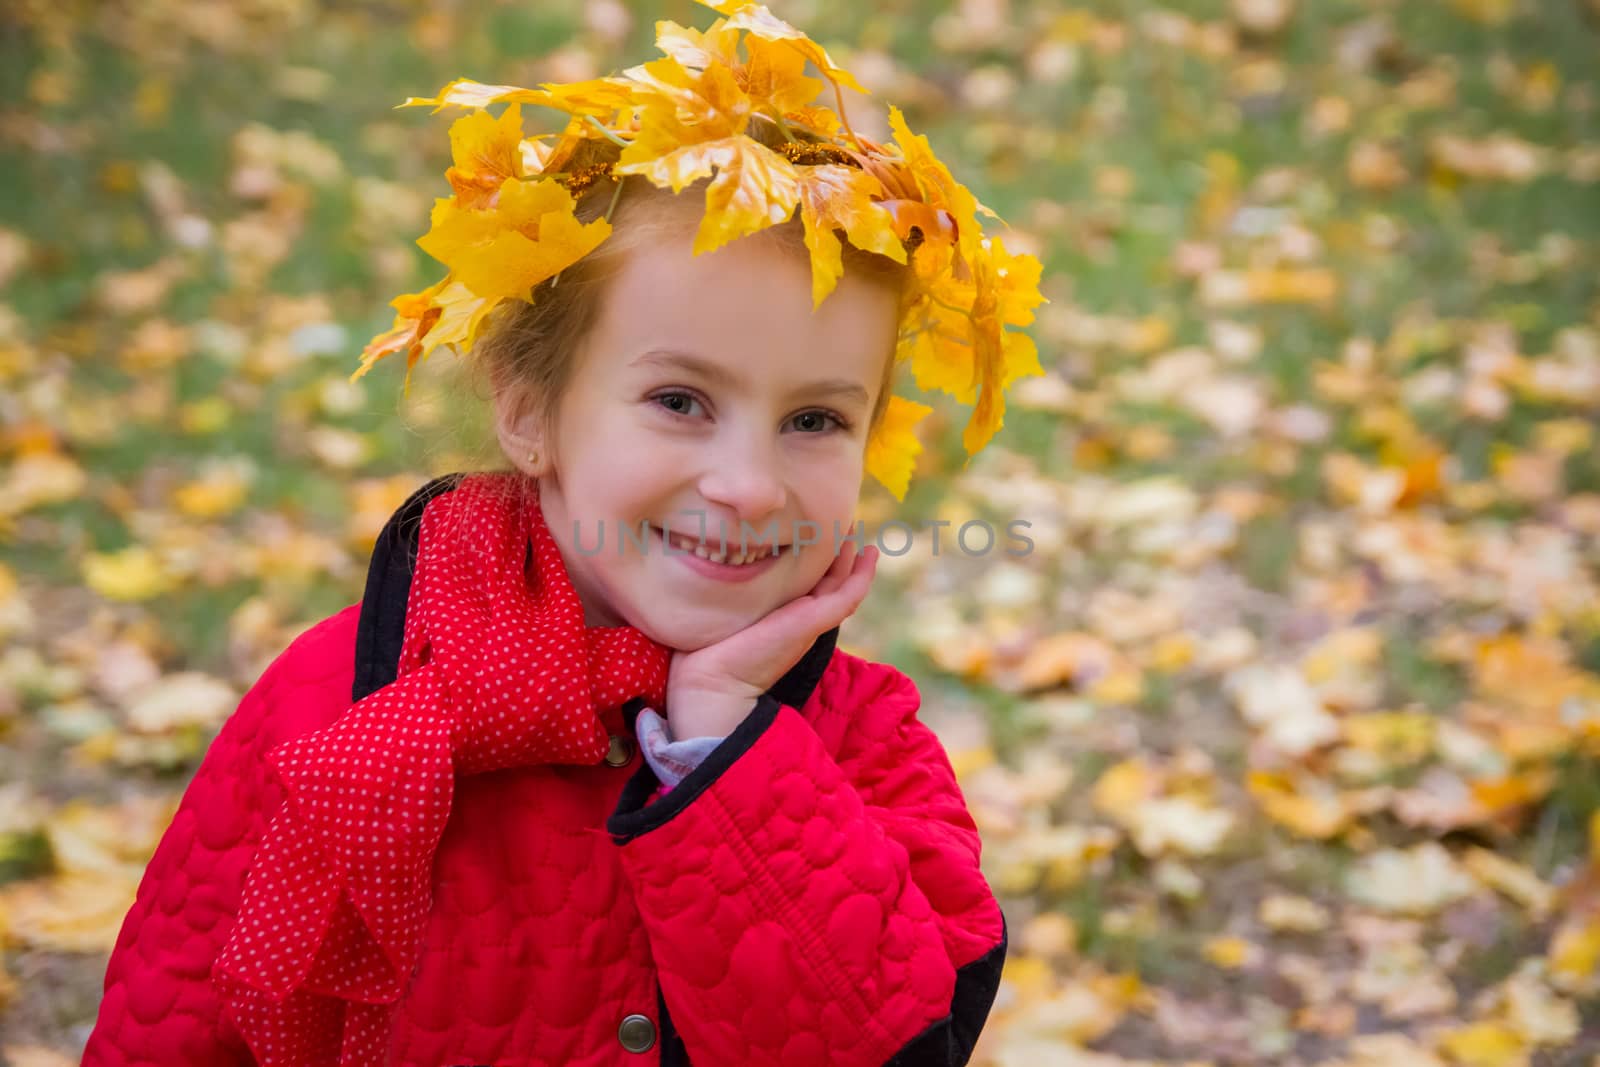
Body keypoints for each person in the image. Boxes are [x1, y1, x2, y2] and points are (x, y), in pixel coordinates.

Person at [83, 2, 1046, 1063]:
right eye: (680, 399)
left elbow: (894, 1044)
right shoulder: (336, 704)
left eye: (814, 419)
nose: (745, 482)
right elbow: (167, 1028)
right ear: (529, 409)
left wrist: (725, 743)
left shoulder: (861, 743)